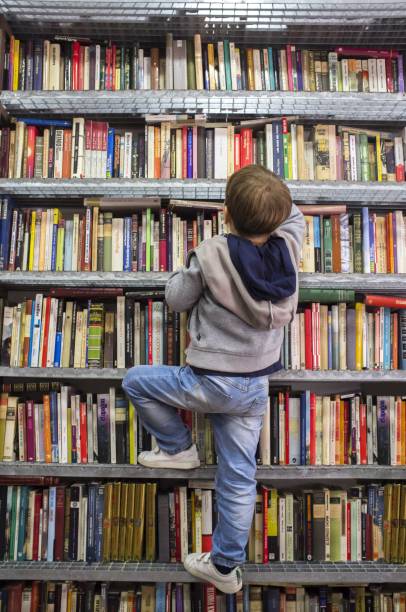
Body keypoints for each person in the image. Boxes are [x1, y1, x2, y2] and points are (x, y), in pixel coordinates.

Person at [122, 164, 305, 594]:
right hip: (254, 387)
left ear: (225, 214)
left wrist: (188, 269)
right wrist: (268, 207)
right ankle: (225, 566)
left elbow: (176, 299)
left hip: (209, 382)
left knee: (136, 381)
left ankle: (178, 447)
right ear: (278, 220)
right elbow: (292, 213)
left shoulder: (209, 252)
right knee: (239, 477)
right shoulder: (289, 244)